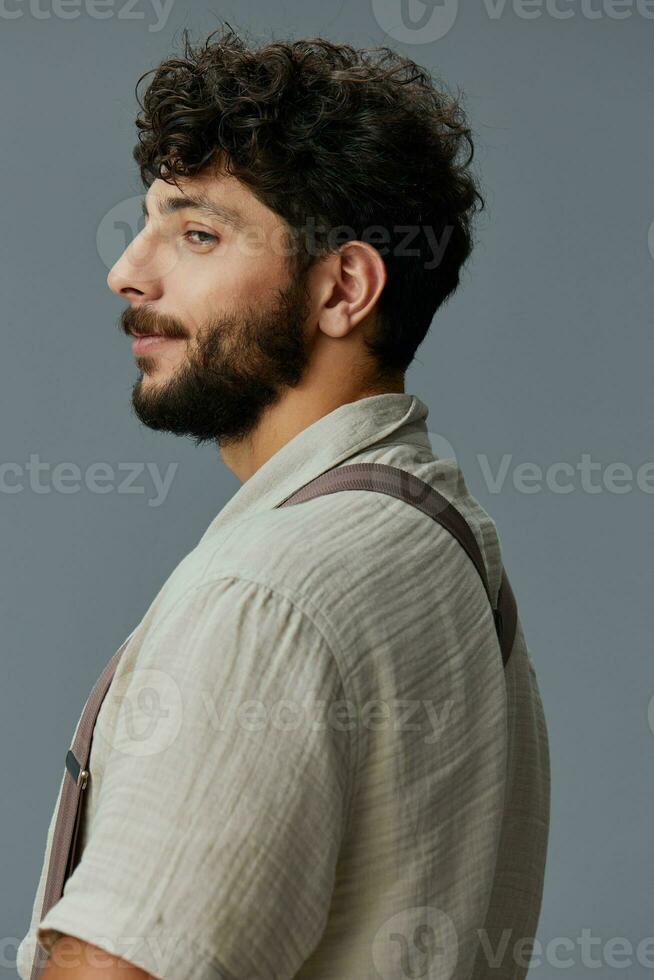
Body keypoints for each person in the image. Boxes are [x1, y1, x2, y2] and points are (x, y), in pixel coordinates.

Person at [17, 24, 550, 980]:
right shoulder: (443, 539)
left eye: (197, 232)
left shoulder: (266, 597)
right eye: (147, 223)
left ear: (343, 287)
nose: (128, 270)